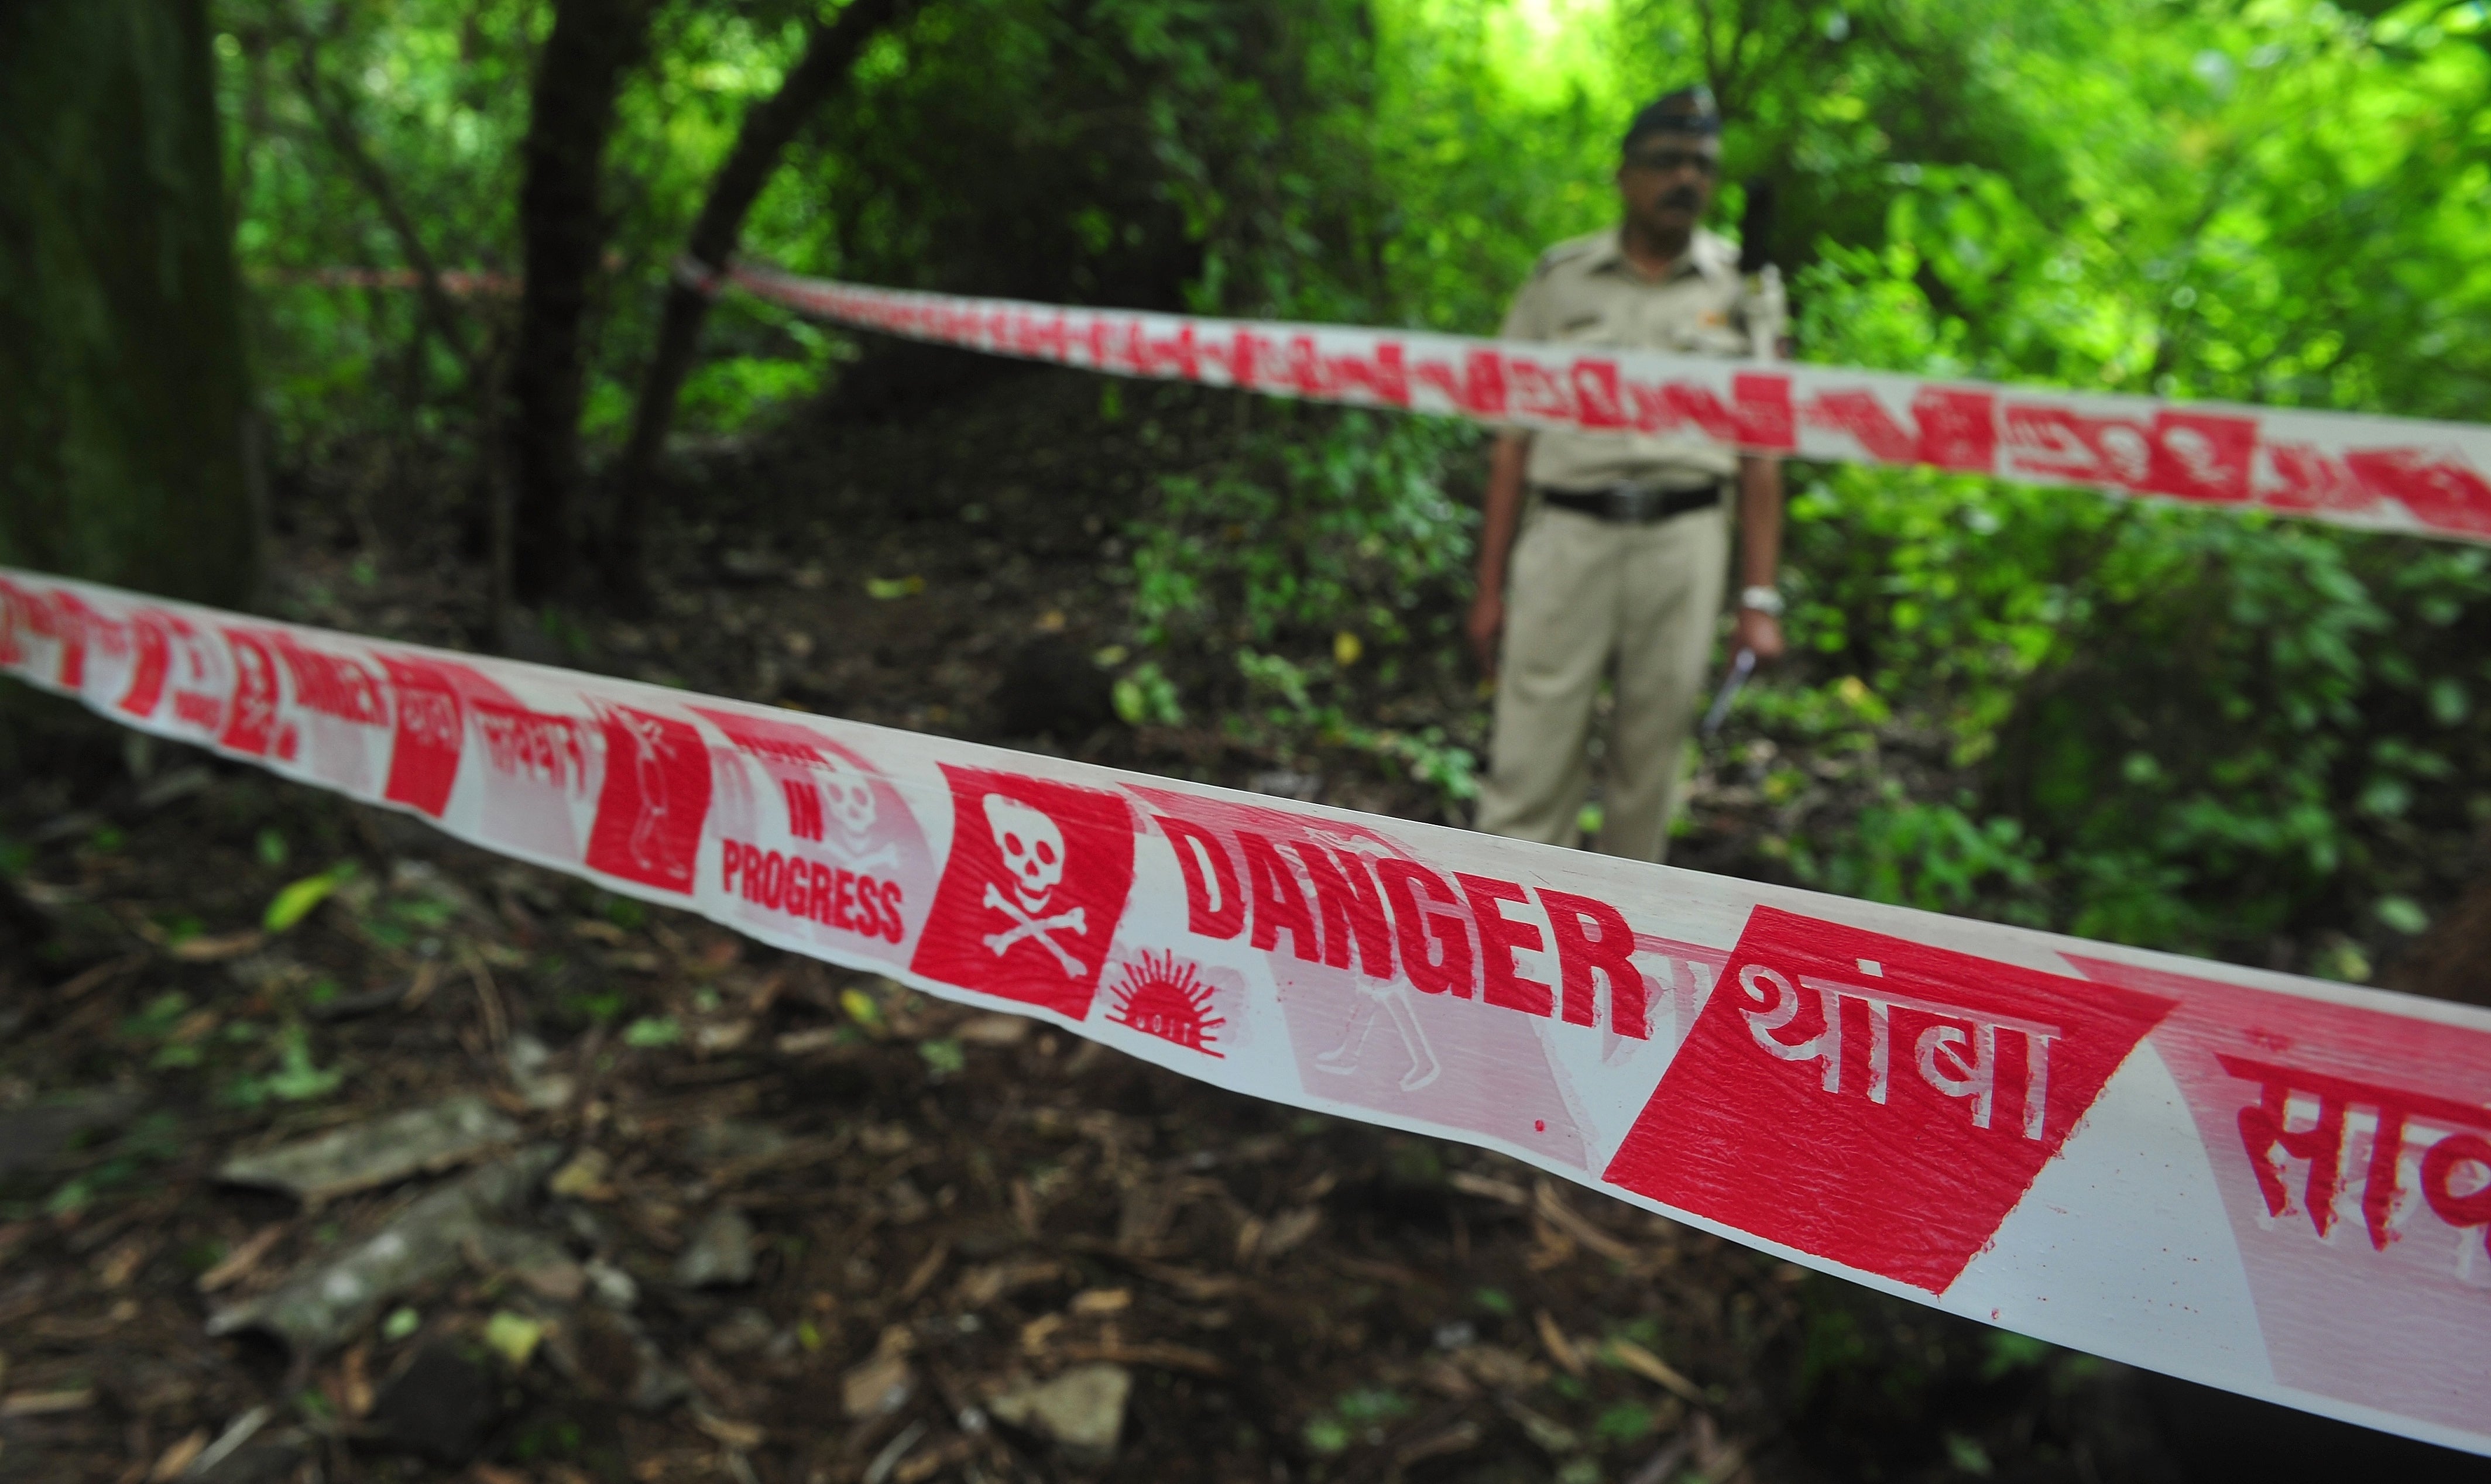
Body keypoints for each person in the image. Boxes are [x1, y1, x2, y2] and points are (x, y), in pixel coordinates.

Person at [1466, 84, 1787, 864]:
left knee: (1651, 768)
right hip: (1568, 534)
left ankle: (1620, 951)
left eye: (1703, 166)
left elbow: (1763, 450)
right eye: (1667, 162)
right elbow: (1512, 440)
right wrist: (1489, 587)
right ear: (1626, 175)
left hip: (1684, 543)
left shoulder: (1746, 292)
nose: (1687, 180)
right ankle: (1508, 934)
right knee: (1530, 757)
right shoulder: (1561, 281)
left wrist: (1758, 597)